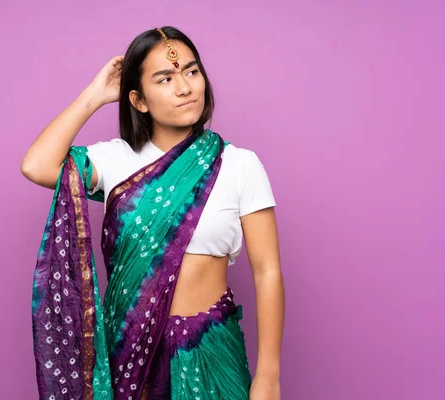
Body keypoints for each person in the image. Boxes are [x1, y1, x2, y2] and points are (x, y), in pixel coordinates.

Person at [21, 26, 284, 400]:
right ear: (138, 100)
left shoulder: (239, 165)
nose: (185, 87)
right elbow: (37, 165)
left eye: (191, 72)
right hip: (129, 349)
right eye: (165, 78)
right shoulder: (115, 160)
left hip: (209, 347)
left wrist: (268, 375)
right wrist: (94, 96)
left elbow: (267, 271)